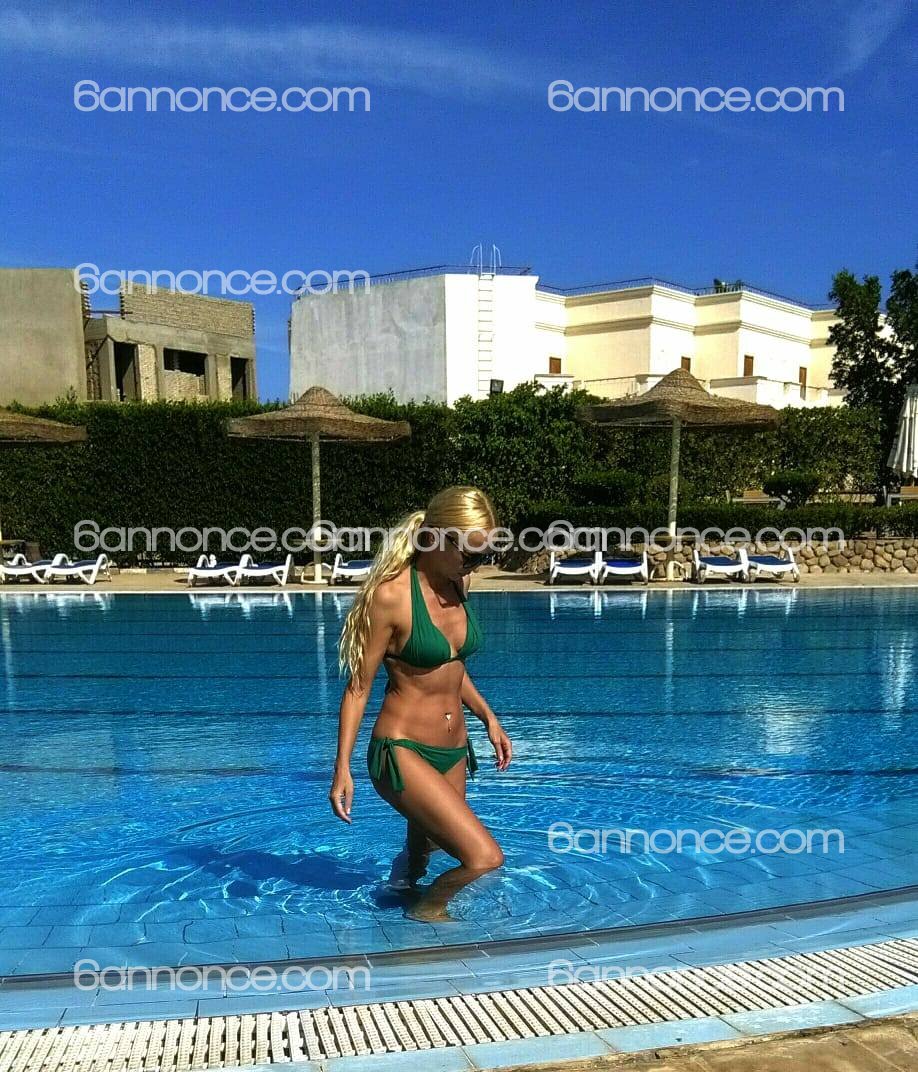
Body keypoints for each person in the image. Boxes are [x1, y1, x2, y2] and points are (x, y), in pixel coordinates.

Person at [330, 486, 512, 920]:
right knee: (484, 857)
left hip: (452, 748)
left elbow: (450, 666)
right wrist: (342, 768)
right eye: (470, 554)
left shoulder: (460, 583)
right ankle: (427, 912)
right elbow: (358, 687)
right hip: (402, 749)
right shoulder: (391, 596)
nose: (475, 565)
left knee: (427, 846)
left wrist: (488, 717)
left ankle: (401, 887)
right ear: (434, 537)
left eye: (484, 555)